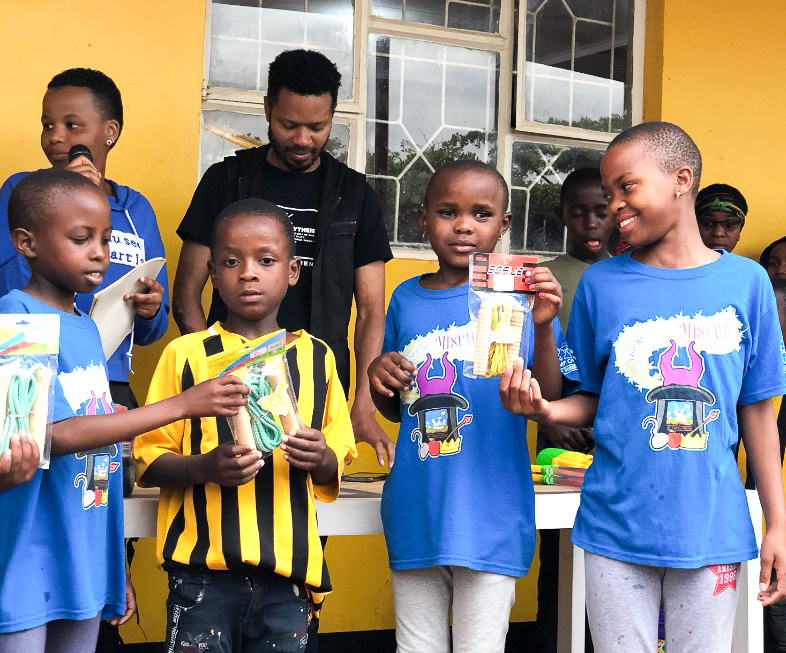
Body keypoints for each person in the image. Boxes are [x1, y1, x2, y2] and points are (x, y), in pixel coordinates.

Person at [500, 121, 786, 653]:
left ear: (681, 179)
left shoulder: (749, 284)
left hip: (712, 528)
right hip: (614, 527)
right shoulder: (601, 285)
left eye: (626, 187)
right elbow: (589, 398)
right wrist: (545, 410)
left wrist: (777, 523)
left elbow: (758, 412)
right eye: (609, 194)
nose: (614, 206)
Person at [0, 170, 248, 653]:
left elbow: (89, 432)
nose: (99, 252)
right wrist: (179, 407)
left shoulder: (89, 327)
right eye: (81, 238)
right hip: (33, 555)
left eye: (106, 239)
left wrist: (115, 571)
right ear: (26, 243)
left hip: (85, 553)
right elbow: (49, 434)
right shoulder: (20, 317)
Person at [367, 161, 577, 653]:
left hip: (493, 511)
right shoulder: (405, 298)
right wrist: (380, 376)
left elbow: (547, 400)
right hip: (416, 507)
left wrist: (545, 324)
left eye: (481, 213)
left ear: (503, 224)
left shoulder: (521, 295)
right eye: (447, 212)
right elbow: (398, 408)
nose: (463, 225)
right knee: (416, 648)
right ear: (422, 220)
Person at [134, 199, 357, 653]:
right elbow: (148, 462)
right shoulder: (188, 355)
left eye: (266, 260)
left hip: (288, 577)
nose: (249, 273)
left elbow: (337, 463)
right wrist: (206, 468)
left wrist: (322, 457)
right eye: (232, 262)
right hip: (203, 577)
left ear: (292, 271)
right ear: (213, 273)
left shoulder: (318, 357)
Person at [173, 49, 393, 467]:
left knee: (306, 518)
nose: (303, 139)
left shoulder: (355, 196)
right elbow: (186, 297)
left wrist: (362, 404)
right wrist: (213, 374)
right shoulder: (226, 181)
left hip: (319, 390)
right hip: (230, 390)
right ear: (268, 109)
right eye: (289, 124)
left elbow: (370, 311)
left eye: (318, 126)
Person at [0, 68, 170, 417]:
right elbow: (11, 287)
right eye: (48, 125)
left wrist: (151, 309)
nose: (55, 137)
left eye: (71, 125)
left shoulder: (137, 210)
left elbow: (154, 329)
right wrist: (64, 196)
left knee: (104, 471)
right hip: (37, 367)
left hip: (109, 380)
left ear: (110, 132)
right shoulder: (22, 192)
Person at [536, 167, 613, 653]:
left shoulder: (625, 275)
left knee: (607, 560)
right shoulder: (545, 278)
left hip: (610, 439)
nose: (590, 222)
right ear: (562, 215)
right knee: (558, 562)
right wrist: (552, 423)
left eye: (600, 211)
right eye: (579, 211)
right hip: (557, 436)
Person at [695, 183, 747, 252]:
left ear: (739, 231)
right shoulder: (677, 262)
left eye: (729, 224)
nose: (718, 233)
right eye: (708, 223)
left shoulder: (747, 263)